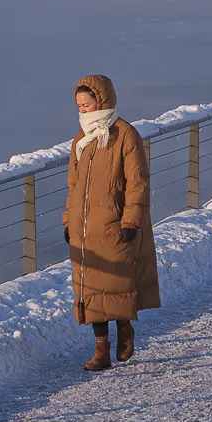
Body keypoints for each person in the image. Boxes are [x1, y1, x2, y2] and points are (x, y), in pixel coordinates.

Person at [61, 74, 160, 371]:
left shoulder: (124, 135)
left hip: (114, 223)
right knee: (90, 288)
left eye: (87, 104)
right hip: (85, 227)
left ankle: (125, 326)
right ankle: (100, 349)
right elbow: (74, 185)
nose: (82, 110)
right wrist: (69, 220)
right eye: (78, 105)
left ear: (101, 101)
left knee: (115, 282)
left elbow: (137, 183)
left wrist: (131, 220)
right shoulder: (81, 140)